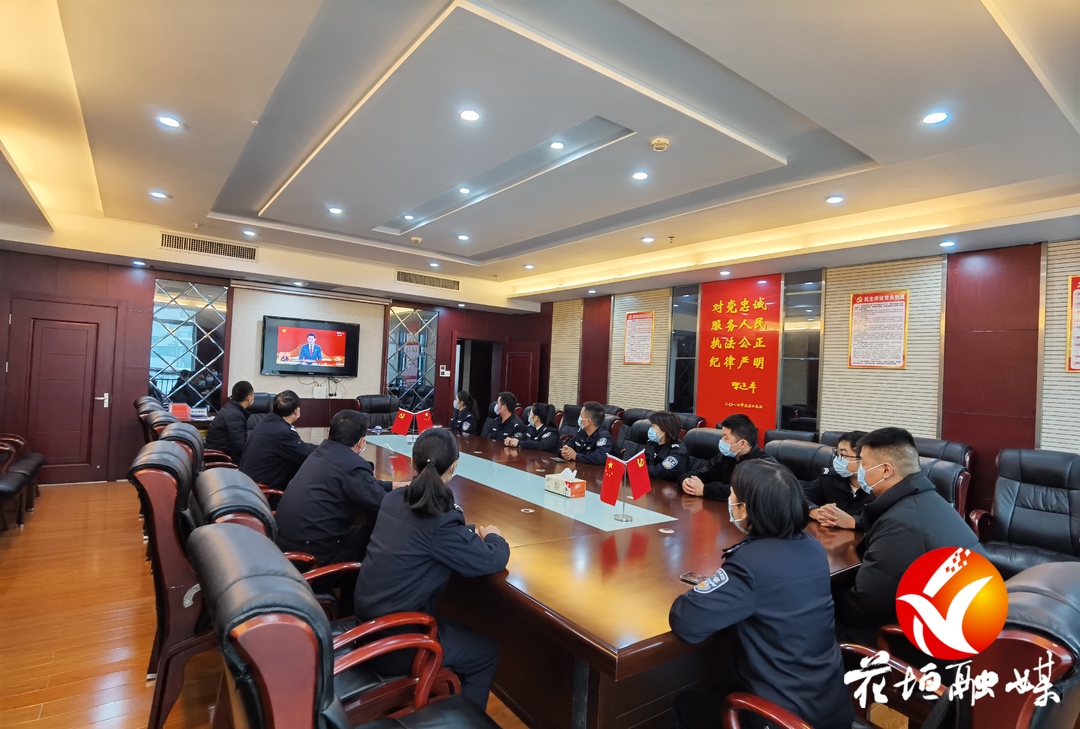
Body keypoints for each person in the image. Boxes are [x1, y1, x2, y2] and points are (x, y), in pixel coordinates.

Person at [669, 460, 854, 729]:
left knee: (687, 705)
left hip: (783, 718)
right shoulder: (813, 547)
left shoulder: (750, 563)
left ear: (744, 508)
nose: (730, 501)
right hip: (829, 704)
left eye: (733, 495)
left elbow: (686, 621)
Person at [353, 428, 510, 710]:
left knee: (463, 629)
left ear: (413, 464)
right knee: (486, 653)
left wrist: (463, 532)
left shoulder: (392, 499)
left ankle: (441, 700)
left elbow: (424, 535)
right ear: (454, 467)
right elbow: (492, 560)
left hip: (367, 625)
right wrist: (495, 537)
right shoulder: (442, 519)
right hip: (396, 644)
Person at [835, 427, 985, 646]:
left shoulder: (901, 525)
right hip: (954, 620)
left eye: (864, 465)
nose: (860, 471)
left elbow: (863, 607)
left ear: (886, 470)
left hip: (928, 640)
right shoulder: (929, 500)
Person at [275, 411, 408, 565]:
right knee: (385, 541)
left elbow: (363, 486)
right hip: (313, 556)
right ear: (361, 442)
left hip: (289, 544)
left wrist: (394, 485)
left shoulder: (321, 453)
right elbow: (384, 505)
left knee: (368, 531)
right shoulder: (352, 466)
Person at [681, 414, 774, 500]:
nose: (721, 441)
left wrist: (705, 490)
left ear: (742, 443)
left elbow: (744, 492)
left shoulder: (765, 464)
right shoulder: (725, 457)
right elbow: (702, 472)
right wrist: (686, 480)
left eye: (725, 438)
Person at [239, 390, 317, 491]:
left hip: (249, 482)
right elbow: (306, 454)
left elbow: (299, 447)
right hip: (263, 491)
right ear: (297, 411)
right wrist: (327, 447)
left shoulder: (268, 421)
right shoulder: (283, 431)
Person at [803, 429, 872, 529]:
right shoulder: (830, 476)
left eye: (843, 455)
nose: (837, 459)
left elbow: (883, 520)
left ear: (863, 458)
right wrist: (815, 511)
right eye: (837, 453)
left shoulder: (879, 485)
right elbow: (801, 495)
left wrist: (853, 522)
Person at [626, 411, 689, 482]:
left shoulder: (678, 451)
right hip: (651, 482)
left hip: (668, 486)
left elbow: (659, 471)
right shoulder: (652, 443)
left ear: (664, 429)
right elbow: (641, 461)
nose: (650, 429)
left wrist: (636, 469)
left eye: (653, 426)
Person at [206, 380, 254, 462]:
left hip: (222, 453)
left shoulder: (230, 407)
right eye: (253, 395)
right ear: (249, 398)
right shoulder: (235, 416)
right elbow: (240, 447)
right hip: (223, 458)